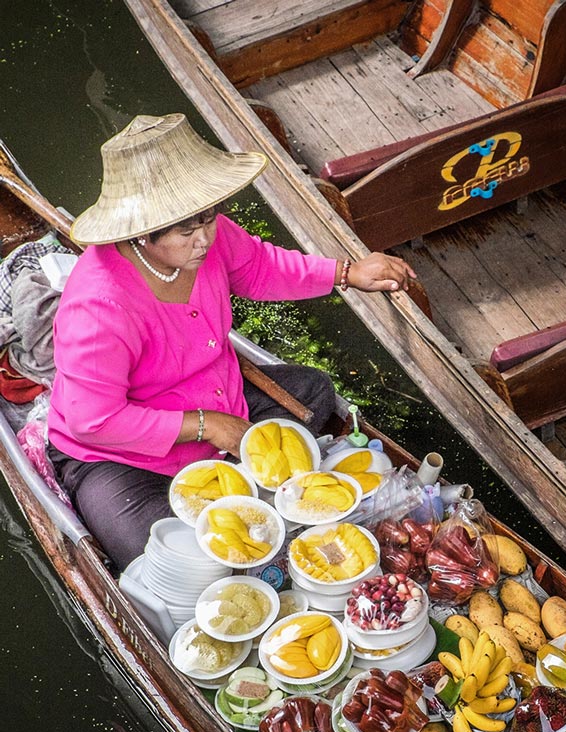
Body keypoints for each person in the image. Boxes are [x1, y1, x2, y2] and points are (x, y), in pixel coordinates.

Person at [47, 113, 416, 573]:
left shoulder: (208, 235)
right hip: (122, 453)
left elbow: (259, 267)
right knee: (164, 558)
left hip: (222, 399)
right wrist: (208, 426)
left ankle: (233, 481)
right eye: (187, 232)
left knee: (314, 391)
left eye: (208, 219)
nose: (204, 240)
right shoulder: (99, 307)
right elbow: (94, 421)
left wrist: (347, 273)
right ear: (142, 232)